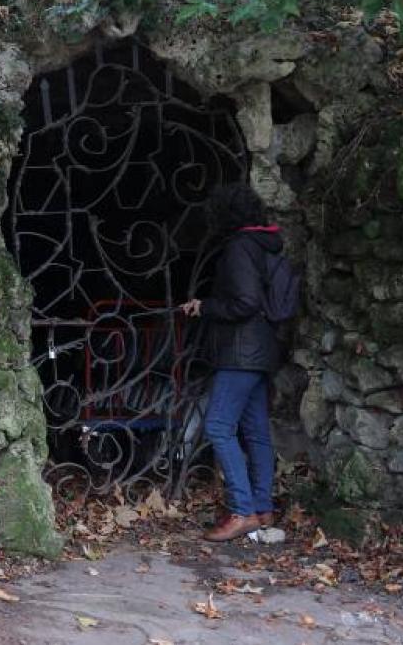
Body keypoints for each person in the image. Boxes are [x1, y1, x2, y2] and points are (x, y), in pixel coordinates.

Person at [181, 183, 283, 542]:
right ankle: (263, 508)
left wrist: (205, 306)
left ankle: (242, 511)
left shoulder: (240, 247)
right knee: (255, 432)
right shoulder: (267, 244)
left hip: (241, 352)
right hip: (263, 351)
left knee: (219, 426)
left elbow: (245, 301)